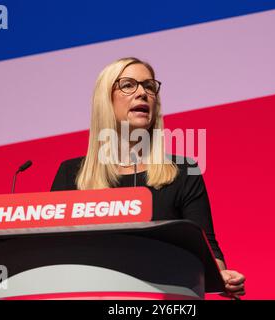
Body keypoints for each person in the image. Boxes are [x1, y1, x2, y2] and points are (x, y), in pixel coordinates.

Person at [51, 57, 246, 298]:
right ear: (105, 99)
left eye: (149, 86)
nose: (142, 93)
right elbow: (53, 255)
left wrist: (221, 276)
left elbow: (207, 247)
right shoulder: (71, 175)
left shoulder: (184, 171)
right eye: (128, 85)